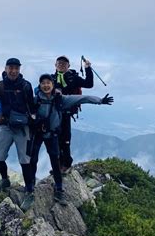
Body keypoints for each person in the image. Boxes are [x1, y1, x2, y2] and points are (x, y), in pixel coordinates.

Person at [22, 73, 113, 210]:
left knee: (55, 161)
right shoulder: (35, 100)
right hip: (38, 134)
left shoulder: (60, 99)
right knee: (32, 160)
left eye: (48, 83)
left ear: (53, 85)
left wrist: (99, 100)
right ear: (40, 86)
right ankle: (30, 189)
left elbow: (82, 98)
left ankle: (59, 190)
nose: (46, 85)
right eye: (43, 83)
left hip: (52, 135)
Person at [0, 58, 35, 194]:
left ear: (19, 70)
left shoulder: (26, 86)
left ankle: (29, 189)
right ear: (5, 69)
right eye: (11, 68)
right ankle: (5, 180)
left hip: (23, 128)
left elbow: (32, 107)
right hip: (5, 126)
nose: (13, 71)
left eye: (16, 68)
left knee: (25, 161)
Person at [52, 55, 94, 173]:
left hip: (66, 112)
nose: (61, 65)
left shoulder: (73, 78)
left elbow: (89, 84)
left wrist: (88, 68)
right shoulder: (51, 78)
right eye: (59, 63)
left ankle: (66, 163)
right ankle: (59, 165)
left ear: (68, 66)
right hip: (54, 113)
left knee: (65, 137)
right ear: (55, 65)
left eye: (64, 64)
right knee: (56, 138)